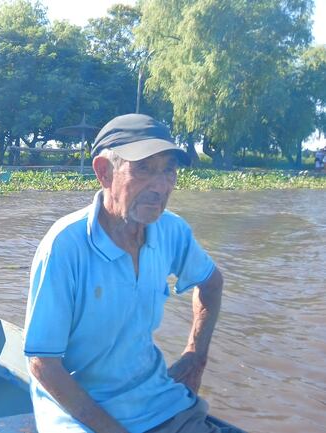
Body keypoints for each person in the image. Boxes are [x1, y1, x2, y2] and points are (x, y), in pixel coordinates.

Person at [24, 114, 231, 433]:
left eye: (168, 170)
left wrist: (195, 356)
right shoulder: (65, 245)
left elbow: (211, 283)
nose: (161, 186)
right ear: (104, 172)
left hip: (156, 401)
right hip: (79, 411)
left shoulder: (171, 231)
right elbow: (43, 364)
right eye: (144, 169)